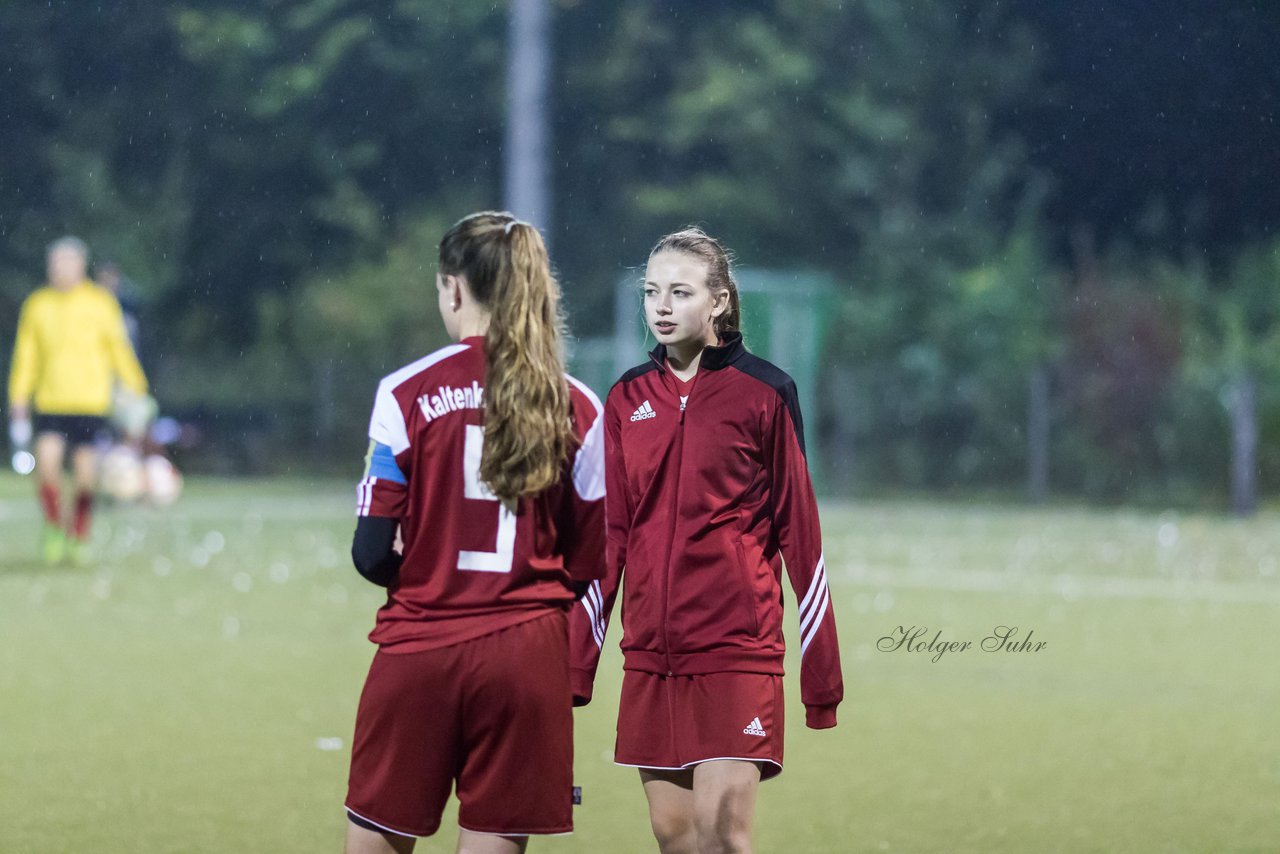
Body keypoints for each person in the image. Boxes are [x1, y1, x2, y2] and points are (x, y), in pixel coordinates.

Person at [570, 228, 843, 854]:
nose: (661, 307)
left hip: (734, 651)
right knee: (677, 838)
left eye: (680, 293)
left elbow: (801, 534)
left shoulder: (766, 393)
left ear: (718, 301)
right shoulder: (627, 398)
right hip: (650, 655)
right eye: (651, 293)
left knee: (724, 836)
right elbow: (609, 539)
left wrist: (821, 675)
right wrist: (575, 663)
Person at [344, 212, 606, 854]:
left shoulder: (404, 391)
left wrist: (423, 556)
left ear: (454, 289)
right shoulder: (579, 404)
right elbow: (591, 557)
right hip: (526, 658)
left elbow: (372, 551)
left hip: (421, 647)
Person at [7, 236, 149, 564]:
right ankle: (55, 527)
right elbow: (25, 356)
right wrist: (18, 397)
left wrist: (136, 388)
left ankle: (79, 535)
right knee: (46, 468)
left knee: (86, 477)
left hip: (91, 404)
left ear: (80, 265)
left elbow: (118, 349)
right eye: (55, 263)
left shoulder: (100, 303)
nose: (59, 269)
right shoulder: (38, 304)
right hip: (51, 402)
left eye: (66, 262)